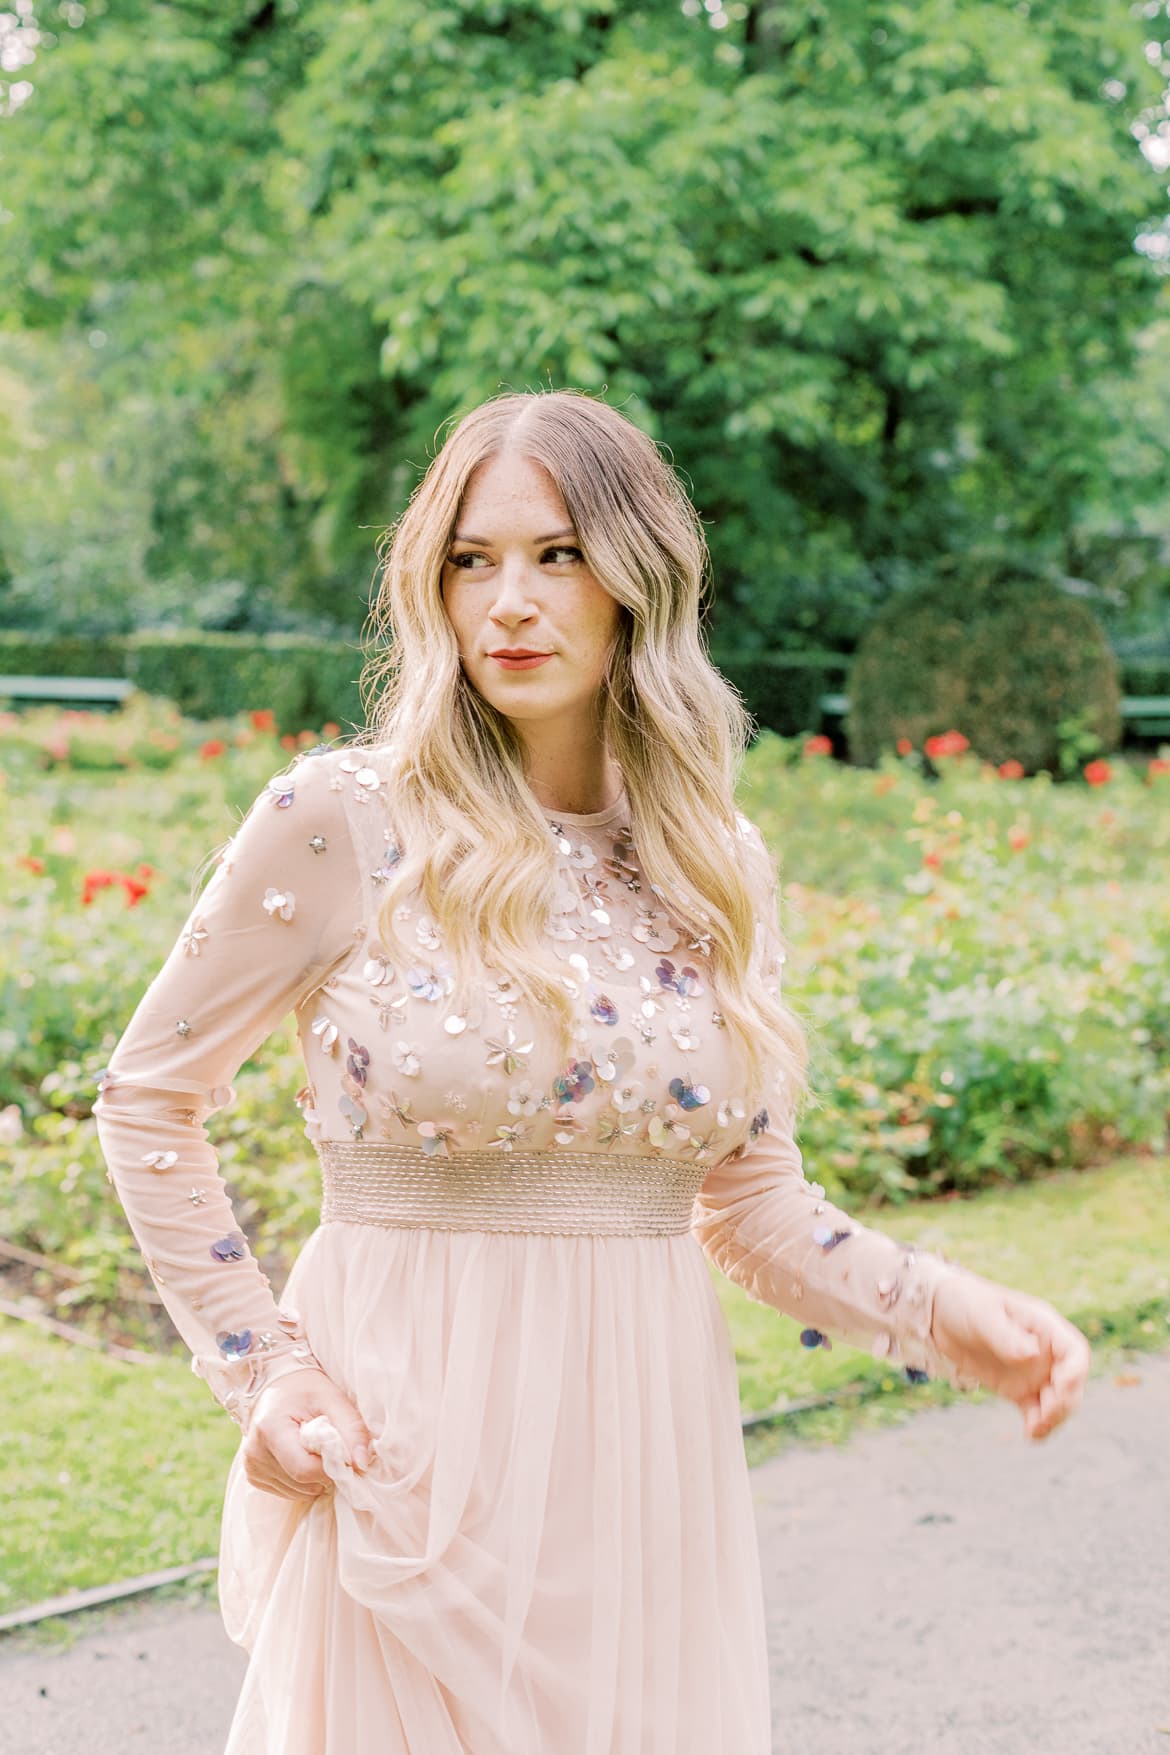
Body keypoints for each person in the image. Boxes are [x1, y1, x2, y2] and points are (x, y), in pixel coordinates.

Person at [94, 389, 1090, 1754]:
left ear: (636, 581)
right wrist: (268, 1375)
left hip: (636, 1472)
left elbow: (750, 1207)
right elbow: (148, 1097)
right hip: (405, 1449)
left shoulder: (710, 861)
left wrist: (942, 1311)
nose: (509, 600)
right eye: (470, 558)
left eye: (556, 555)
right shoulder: (341, 819)